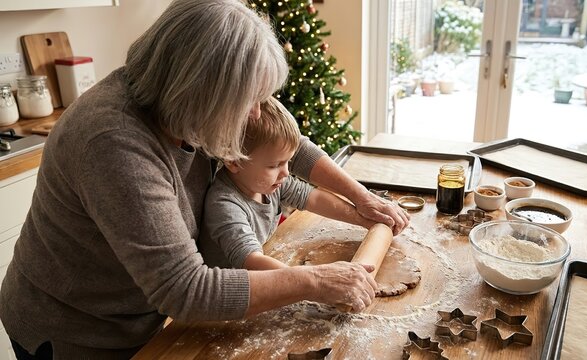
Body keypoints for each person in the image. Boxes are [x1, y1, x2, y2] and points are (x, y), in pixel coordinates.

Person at [0, 0, 409, 358]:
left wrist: (362, 197)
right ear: (203, 93)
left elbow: (287, 143)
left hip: (140, 313)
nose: (254, 114)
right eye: (248, 102)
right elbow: (186, 289)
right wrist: (315, 281)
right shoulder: (114, 144)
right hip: (79, 331)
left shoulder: (181, 97)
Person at [199, 97, 377, 270]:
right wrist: (314, 280)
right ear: (233, 160)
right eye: (274, 165)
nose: (285, 172)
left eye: (287, 162)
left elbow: (311, 198)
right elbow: (251, 260)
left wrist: (364, 219)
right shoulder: (224, 205)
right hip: (233, 291)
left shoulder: (265, 183)